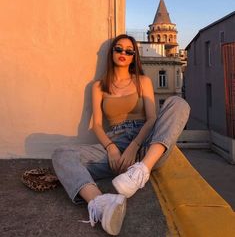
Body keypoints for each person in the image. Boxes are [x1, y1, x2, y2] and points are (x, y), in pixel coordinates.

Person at [52, 34, 190, 236]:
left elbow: (151, 119)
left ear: (134, 56)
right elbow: (97, 125)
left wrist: (134, 147)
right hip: (114, 142)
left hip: (146, 146)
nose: (123, 53)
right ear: (112, 53)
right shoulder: (98, 86)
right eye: (119, 49)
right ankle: (101, 204)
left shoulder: (142, 81)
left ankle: (140, 173)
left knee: (178, 103)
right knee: (61, 154)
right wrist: (111, 148)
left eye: (129, 50)